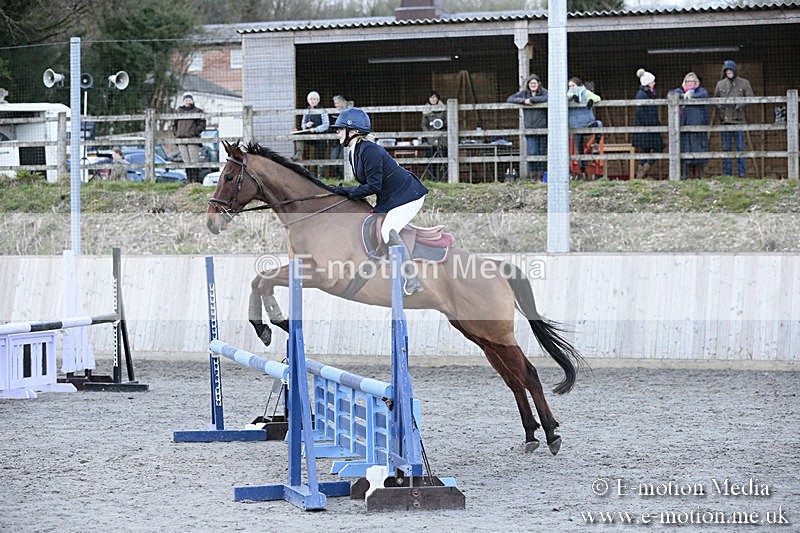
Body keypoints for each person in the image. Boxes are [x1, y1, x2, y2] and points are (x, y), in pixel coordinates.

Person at [331, 108, 429, 296]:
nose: (337, 132)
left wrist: (347, 192)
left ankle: (411, 278)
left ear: (353, 131)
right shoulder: (355, 151)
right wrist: (344, 191)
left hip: (408, 197)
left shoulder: (370, 151)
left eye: (340, 129)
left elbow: (373, 186)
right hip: (391, 198)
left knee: (387, 231)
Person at [713, 60, 754, 177]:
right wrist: (720, 108)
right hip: (725, 120)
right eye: (727, 70)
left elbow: (750, 97)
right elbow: (715, 99)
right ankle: (727, 174)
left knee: (740, 147)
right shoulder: (720, 84)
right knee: (726, 148)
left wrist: (741, 105)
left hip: (738, 119)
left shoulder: (744, 83)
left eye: (730, 70)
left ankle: (742, 173)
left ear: (735, 71)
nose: (729, 72)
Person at [506, 74, 548, 180]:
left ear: (539, 84)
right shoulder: (524, 94)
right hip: (529, 127)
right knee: (532, 152)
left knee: (541, 152)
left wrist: (533, 100)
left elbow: (548, 97)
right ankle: (532, 175)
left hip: (543, 127)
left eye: (535, 83)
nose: (533, 85)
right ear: (528, 85)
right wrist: (524, 101)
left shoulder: (544, 92)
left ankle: (540, 175)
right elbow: (510, 99)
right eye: (531, 83)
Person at [669, 72, 710, 179]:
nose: (689, 83)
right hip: (684, 126)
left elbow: (704, 95)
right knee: (685, 150)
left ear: (696, 82)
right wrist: (683, 95)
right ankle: (686, 176)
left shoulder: (701, 92)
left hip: (698, 126)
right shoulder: (681, 91)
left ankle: (699, 176)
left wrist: (691, 95)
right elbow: (671, 94)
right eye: (687, 81)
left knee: (698, 150)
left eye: (692, 81)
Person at [631, 69, 664, 179]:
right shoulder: (642, 95)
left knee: (646, 150)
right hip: (647, 128)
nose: (654, 83)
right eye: (652, 81)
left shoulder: (646, 94)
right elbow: (641, 112)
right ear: (648, 82)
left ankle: (642, 173)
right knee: (659, 146)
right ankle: (644, 170)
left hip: (648, 127)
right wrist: (652, 124)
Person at [567, 76, 602, 176]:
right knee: (579, 150)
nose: (571, 88)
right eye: (569, 86)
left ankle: (596, 143)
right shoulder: (568, 95)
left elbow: (597, 97)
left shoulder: (585, 92)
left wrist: (590, 100)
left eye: (573, 86)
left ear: (578, 85)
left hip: (587, 123)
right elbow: (563, 98)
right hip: (575, 126)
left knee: (598, 124)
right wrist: (572, 97)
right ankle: (582, 172)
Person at [172, 93, 206, 183]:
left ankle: (195, 181)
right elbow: (174, 124)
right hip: (181, 139)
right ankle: (189, 180)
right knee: (186, 161)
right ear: (183, 101)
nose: (188, 101)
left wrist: (193, 132)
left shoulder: (198, 111)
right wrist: (176, 134)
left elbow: (202, 125)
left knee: (193, 160)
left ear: (192, 100)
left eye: (189, 100)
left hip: (192, 139)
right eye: (186, 100)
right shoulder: (179, 111)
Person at [293, 91, 329, 170]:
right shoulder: (306, 110)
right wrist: (306, 125)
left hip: (320, 136)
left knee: (320, 154)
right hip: (309, 135)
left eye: (314, 99)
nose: (312, 101)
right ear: (308, 101)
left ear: (318, 100)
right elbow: (303, 124)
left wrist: (315, 129)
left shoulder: (322, 110)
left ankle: (321, 173)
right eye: (311, 99)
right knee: (298, 136)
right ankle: (298, 155)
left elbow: (326, 125)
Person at [328, 95, 352, 179]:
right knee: (333, 157)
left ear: (342, 103)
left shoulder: (347, 112)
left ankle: (343, 176)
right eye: (335, 103)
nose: (336, 105)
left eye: (337, 103)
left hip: (345, 138)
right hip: (335, 139)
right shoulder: (333, 113)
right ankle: (337, 175)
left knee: (343, 156)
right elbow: (330, 125)